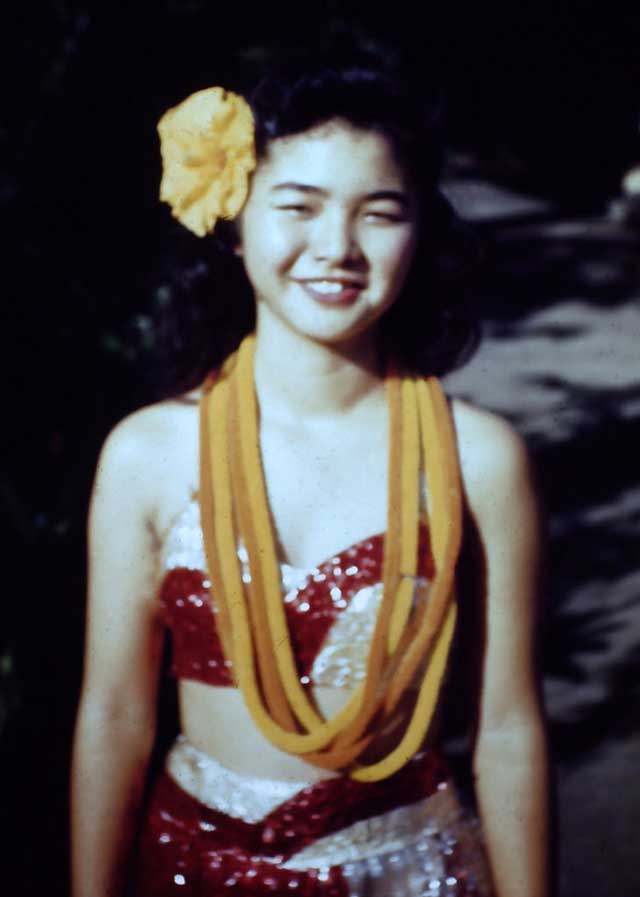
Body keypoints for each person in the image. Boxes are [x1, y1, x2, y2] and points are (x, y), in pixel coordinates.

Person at [71, 42, 549, 897]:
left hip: (414, 871)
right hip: (192, 870)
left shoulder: (477, 457)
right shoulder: (148, 453)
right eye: (299, 204)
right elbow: (113, 713)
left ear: (421, 230)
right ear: (235, 215)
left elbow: (507, 725)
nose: (337, 246)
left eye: (380, 211)